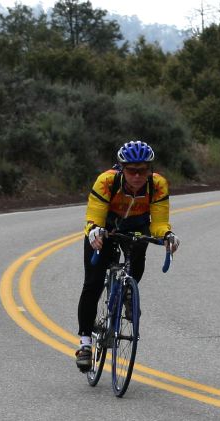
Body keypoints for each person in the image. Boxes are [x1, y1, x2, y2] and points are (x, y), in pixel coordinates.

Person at [75, 140, 180, 372]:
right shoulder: (106, 182)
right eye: (131, 171)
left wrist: (168, 235)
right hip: (106, 225)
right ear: (122, 169)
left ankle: (128, 292)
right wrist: (94, 231)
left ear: (149, 170)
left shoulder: (158, 185)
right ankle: (84, 343)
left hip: (137, 225)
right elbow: (93, 216)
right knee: (92, 284)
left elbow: (160, 223)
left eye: (142, 170)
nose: (137, 176)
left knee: (139, 249)